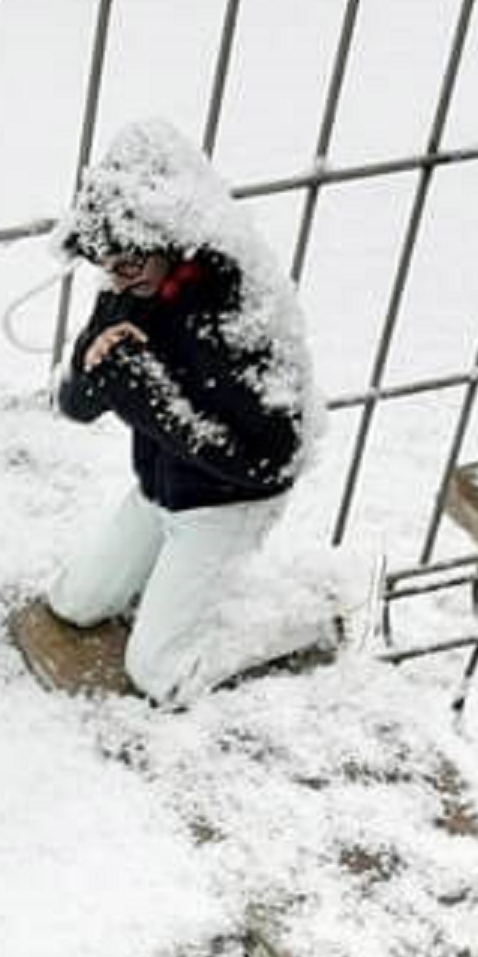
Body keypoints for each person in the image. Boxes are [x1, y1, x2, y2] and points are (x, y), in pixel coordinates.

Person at [47, 119, 320, 705]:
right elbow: (74, 404)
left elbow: (269, 460)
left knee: (157, 670)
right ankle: (176, 589)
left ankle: (303, 619)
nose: (114, 277)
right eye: (106, 264)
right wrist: (98, 372)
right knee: (73, 602)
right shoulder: (133, 282)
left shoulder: (237, 317)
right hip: (160, 485)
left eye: (126, 262)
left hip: (226, 503)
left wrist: (139, 388)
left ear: (171, 239)